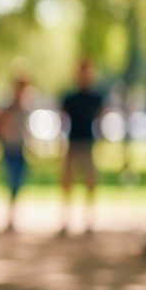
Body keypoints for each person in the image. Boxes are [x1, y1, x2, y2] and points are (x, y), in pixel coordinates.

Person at [59, 58, 105, 234]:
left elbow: (100, 119)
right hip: (73, 142)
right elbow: (63, 121)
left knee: (90, 181)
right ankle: (65, 219)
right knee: (67, 181)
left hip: (88, 142)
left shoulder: (96, 98)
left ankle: (89, 219)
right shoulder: (70, 98)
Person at [0, 75, 32, 232]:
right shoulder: (9, 107)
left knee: (19, 181)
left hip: (20, 148)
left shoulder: (25, 107)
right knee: (12, 179)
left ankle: (13, 215)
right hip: (10, 147)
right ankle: (9, 215)